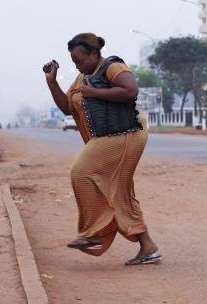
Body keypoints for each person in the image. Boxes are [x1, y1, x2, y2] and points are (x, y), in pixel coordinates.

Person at [44, 33, 160, 265]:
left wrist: (96, 93)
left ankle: (94, 232)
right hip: (108, 137)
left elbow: (130, 90)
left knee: (81, 172)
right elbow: (68, 108)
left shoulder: (112, 66)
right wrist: (51, 81)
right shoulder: (82, 78)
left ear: (94, 53)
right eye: (74, 62)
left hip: (126, 134)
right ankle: (148, 247)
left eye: (81, 60)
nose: (78, 65)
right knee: (119, 192)